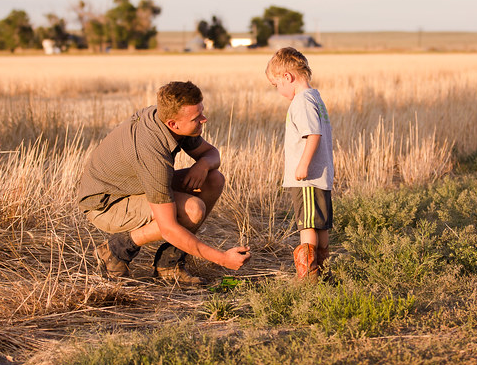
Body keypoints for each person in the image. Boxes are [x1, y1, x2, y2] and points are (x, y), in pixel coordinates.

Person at [76, 80, 251, 285]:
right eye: (197, 118)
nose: (204, 119)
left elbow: (212, 154)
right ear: (173, 124)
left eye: (201, 112)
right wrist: (222, 259)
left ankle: (169, 264)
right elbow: (168, 228)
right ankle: (115, 251)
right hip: (106, 204)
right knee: (192, 210)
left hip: (134, 188)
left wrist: (202, 165)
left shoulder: (171, 117)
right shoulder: (153, 152)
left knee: (214, 179)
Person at [266, 48, 334, 279]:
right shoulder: (315, 97)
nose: (278, 91)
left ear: (288, 77)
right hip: (321, 176)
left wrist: (302, 165)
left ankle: (309, 277)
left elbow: (312, 134)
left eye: (276, 85)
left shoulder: (301, 102)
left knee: (307, 226)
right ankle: (324, 273)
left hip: (308, 178)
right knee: (321, 224)